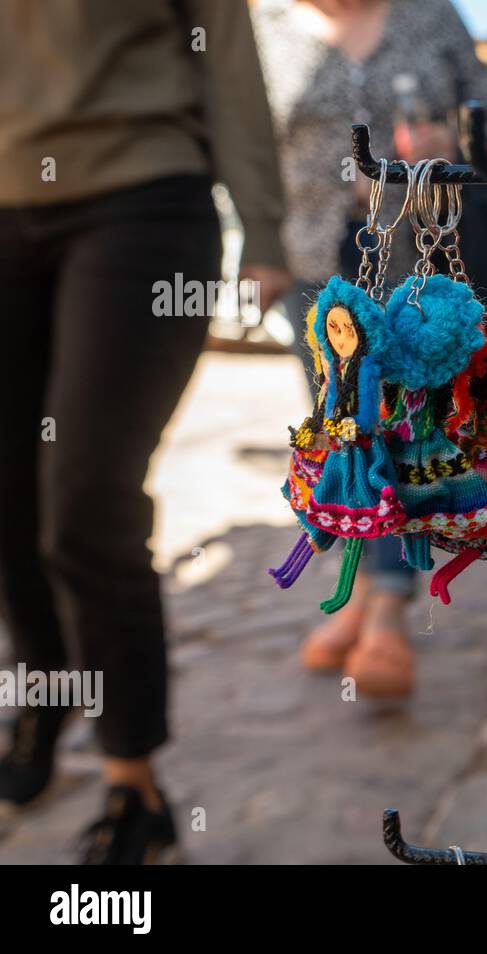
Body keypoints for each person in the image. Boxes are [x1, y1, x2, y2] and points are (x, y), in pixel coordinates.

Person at [0, 1, 290, 862]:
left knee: (86, 500)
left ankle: (134, 782)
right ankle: (47, 696)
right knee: (7, 496)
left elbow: (228, 54)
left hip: (142, 201)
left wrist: (264, 228)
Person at [252, 0, 487, 697]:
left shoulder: (427, 14)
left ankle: (384, 604)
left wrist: (449, 141)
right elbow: (245, 147)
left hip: (419, 258)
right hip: (316, 260)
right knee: (342, 433)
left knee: (395, 427)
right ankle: (361, 594)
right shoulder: (264, 28)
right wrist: (260, 249)